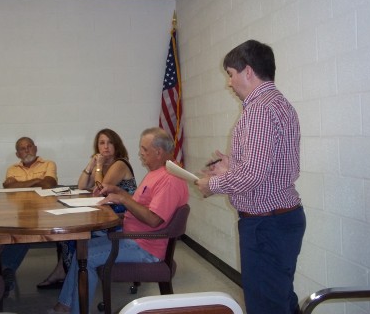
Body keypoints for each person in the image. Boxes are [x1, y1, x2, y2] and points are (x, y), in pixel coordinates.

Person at [194, 40, 306, 314]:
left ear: (248, 71)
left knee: (266, 305)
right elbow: (271, 166)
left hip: (266, 226)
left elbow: (254, 174)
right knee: (279, 298)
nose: (229, 83)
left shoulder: (258, 110)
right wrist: (231, 165)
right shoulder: (280, 104)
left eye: (230, 74)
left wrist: (212, 183)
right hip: (283, 219)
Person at [51, 127, 189, 314]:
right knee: (82, 249)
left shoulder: (169, 179)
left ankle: (72, 309)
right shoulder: (156, 172)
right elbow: (143, 206)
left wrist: (123, 199)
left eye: (144, 149)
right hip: (133, 236)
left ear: (158, 152)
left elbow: (154, 219)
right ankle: (65, 306)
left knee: (86, 257)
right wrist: (120, 193)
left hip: (146, 246)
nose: (140, 153)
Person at [37, 128, 137, 289]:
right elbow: (82, 185)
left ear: (117, 145)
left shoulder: (120, 163)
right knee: (68, 234)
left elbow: (100, 188)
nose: (106, 147)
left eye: (110, 142)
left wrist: (97, 166)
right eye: (102, 143)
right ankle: (67, 274)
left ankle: (73, 278)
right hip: (106, 211)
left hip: (120, 217)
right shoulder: (103, 164)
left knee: (73, 235)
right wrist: (91, 164)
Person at [0, 136, 58, 296]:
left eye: (29, 146)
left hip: (45, 213)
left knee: (26, 229)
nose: (26, 150)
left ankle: (4, 270)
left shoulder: (49, 164)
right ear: (17, 154)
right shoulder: (12, 168)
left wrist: (19, 184)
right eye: (22, 148)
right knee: (22, 230)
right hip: (20, 212)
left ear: (35, 148)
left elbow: (49, 184)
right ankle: (5, 271)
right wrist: (37, 180)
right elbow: (8, 188)